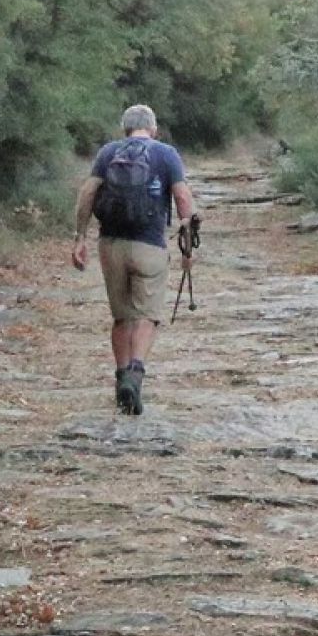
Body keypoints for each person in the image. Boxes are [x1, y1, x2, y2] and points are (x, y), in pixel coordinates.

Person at [71, 104, 194, 415]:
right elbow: (181, 198)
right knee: (146, 316)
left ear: (125, 128)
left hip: (111, 245)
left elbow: (87, 194)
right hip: (149, 246)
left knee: (121, 316)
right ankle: (135, 375)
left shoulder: (108, 152)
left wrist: (80, 238)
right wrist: (188, 244)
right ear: (153, 129)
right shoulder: (166, 154)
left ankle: (120, 377)